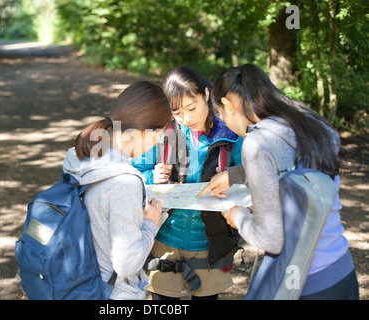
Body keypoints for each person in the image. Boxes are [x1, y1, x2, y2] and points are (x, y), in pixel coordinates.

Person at [200, 63, 359, 300]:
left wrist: (239, 217)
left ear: (228, 105)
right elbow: (296, 170)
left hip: (305, 282)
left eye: (222, 117)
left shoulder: (257, 143)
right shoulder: (309, 121)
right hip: (341, 271)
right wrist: (235, 175)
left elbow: (271, 239)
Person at [132, 66, 243, 300]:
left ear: (206, 94)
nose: (187, 118)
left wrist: (230, 178)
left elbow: (251, 173)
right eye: (178, 113)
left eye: (192, 108)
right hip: (164, 238)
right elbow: (133, 172)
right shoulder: (162, 133)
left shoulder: (231, 133)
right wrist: (152, 176)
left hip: (209, 240)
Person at [62, 81, 172, 300]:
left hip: (75, 280)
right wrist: (150, 222)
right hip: (112, 293)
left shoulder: (78, 156)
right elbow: (126, 263)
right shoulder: (125, 182)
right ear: (149, 133)